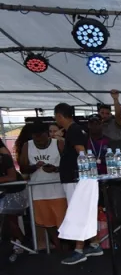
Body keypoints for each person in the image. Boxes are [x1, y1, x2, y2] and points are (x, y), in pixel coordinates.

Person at [54, 103, 103, 265]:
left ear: (60, 116)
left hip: (76, 178)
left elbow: (81, 152)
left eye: (56, 117)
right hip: (78, 177)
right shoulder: (76, 130)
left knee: (78, 212)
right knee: (84, 211)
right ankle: (95, 244)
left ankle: (79, 250)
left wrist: (85, 174)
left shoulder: (74, 130)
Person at [18, 122, 66, 251]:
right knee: (47, 222)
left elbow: (69, 166)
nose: (38, 140)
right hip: (38, 192)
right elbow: (23, 168)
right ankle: (59, 246)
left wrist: (56, 169)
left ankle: (66, 246)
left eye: (41, 137)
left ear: (47, 134)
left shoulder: (58, 144)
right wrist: (34, 167)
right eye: (35, 137)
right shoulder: (27, 145)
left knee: (62, 221)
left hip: (58, 190)